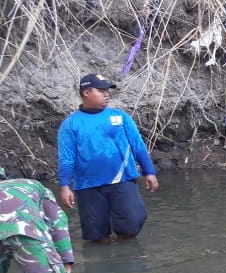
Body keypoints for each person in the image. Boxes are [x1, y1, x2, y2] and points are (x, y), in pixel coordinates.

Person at [57, 73, 160, 243]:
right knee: (97, 237)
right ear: (86, 93)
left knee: (132, 224)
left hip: (123, 179)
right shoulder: (71, 124)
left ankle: (124, 255)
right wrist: (64, 185)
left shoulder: (120, 116)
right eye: (101, 90)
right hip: (88, 186)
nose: (107, 94)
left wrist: (149, 171)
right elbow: (66, 157)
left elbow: (137, 145)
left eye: (107, 91)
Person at [0, 168, 93, 273]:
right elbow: (57, 222)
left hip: (19, 229)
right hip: (24, 232)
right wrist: (66, 267)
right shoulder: (31, 185)